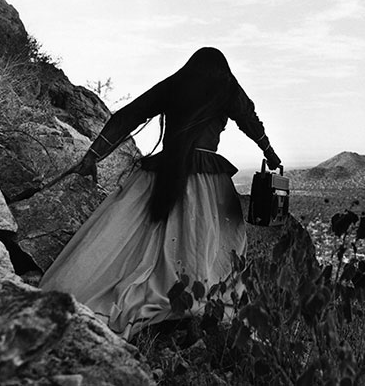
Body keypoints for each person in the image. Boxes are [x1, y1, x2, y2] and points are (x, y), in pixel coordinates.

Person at [40, 47, 281, 340]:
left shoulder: (175, 83)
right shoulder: (226, 86)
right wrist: (270, 153)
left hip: (161, 172)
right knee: (213, 241)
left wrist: (94, 155)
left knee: (134, 237)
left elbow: (129, 116)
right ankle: (194, 301)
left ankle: (167, 297)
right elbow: (250, 121)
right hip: (207, 179)